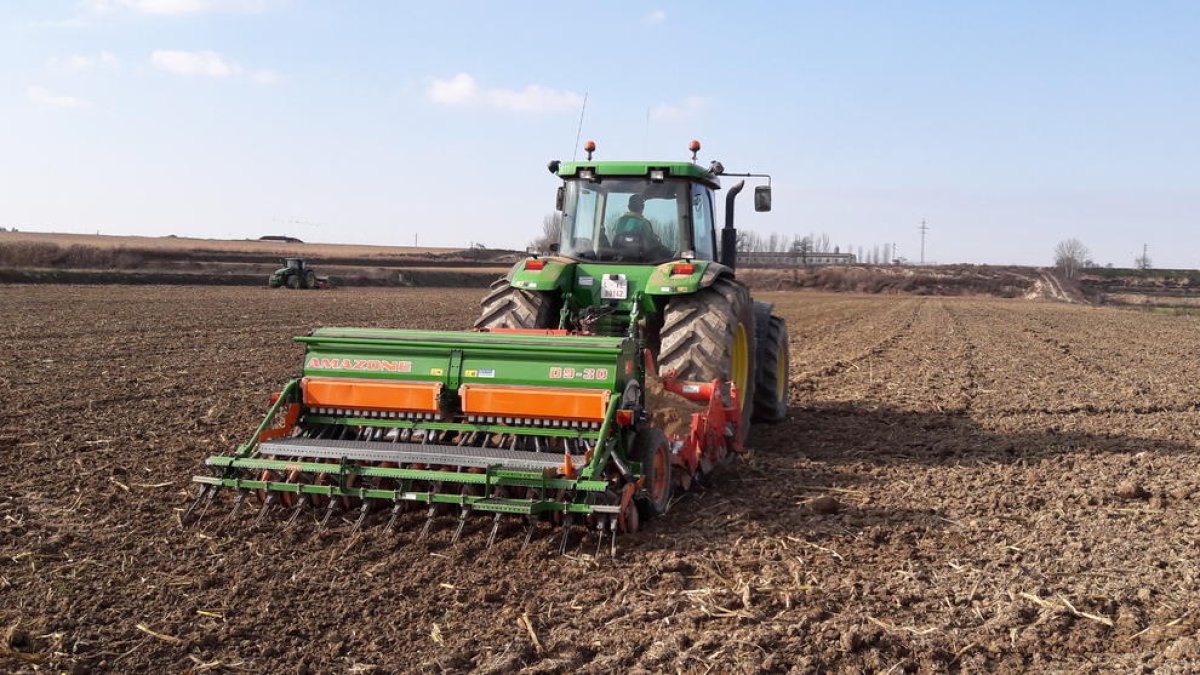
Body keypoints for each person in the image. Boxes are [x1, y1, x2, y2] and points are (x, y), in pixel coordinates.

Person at [611, 194, 668, 258]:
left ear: (628, 207)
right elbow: (653, 245)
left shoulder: (619, 222)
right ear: (643, 207)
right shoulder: (644, 223)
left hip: (619, 259)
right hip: (643, 261)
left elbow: (615, 242)